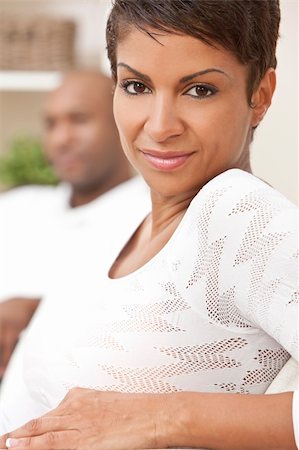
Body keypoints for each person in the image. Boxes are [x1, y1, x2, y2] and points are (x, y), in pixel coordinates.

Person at [0, 1, 298, 449]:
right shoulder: (132, 220)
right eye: (136, 85)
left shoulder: (241, 215)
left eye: (199, 90)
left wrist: (162, 417)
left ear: (260, 95)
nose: (159, 127)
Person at [0, 70, 149, 378]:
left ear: (122, 123)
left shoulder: (151, 217)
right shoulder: (18, 206)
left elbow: (139, 321)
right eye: (51, 124)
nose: (61, 139)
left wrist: (31, 311)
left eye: (79, 119)